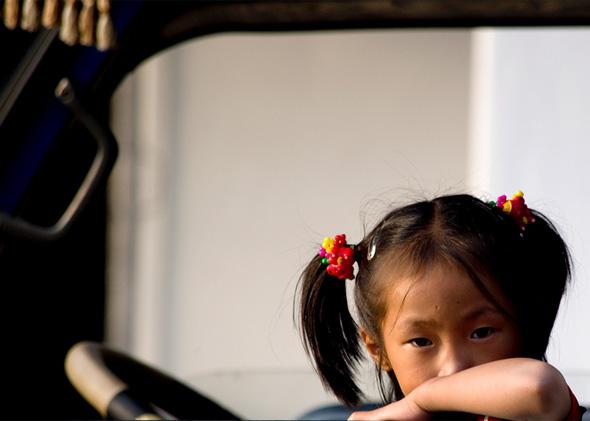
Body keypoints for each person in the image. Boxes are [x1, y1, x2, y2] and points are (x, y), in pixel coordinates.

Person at [297, 192, 586, 420]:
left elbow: (538, 387)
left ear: (524, 324)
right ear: (377, 350)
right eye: (421, 341)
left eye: (482, 332)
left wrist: (426, 396)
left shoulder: (536, 412)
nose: (454, 367)